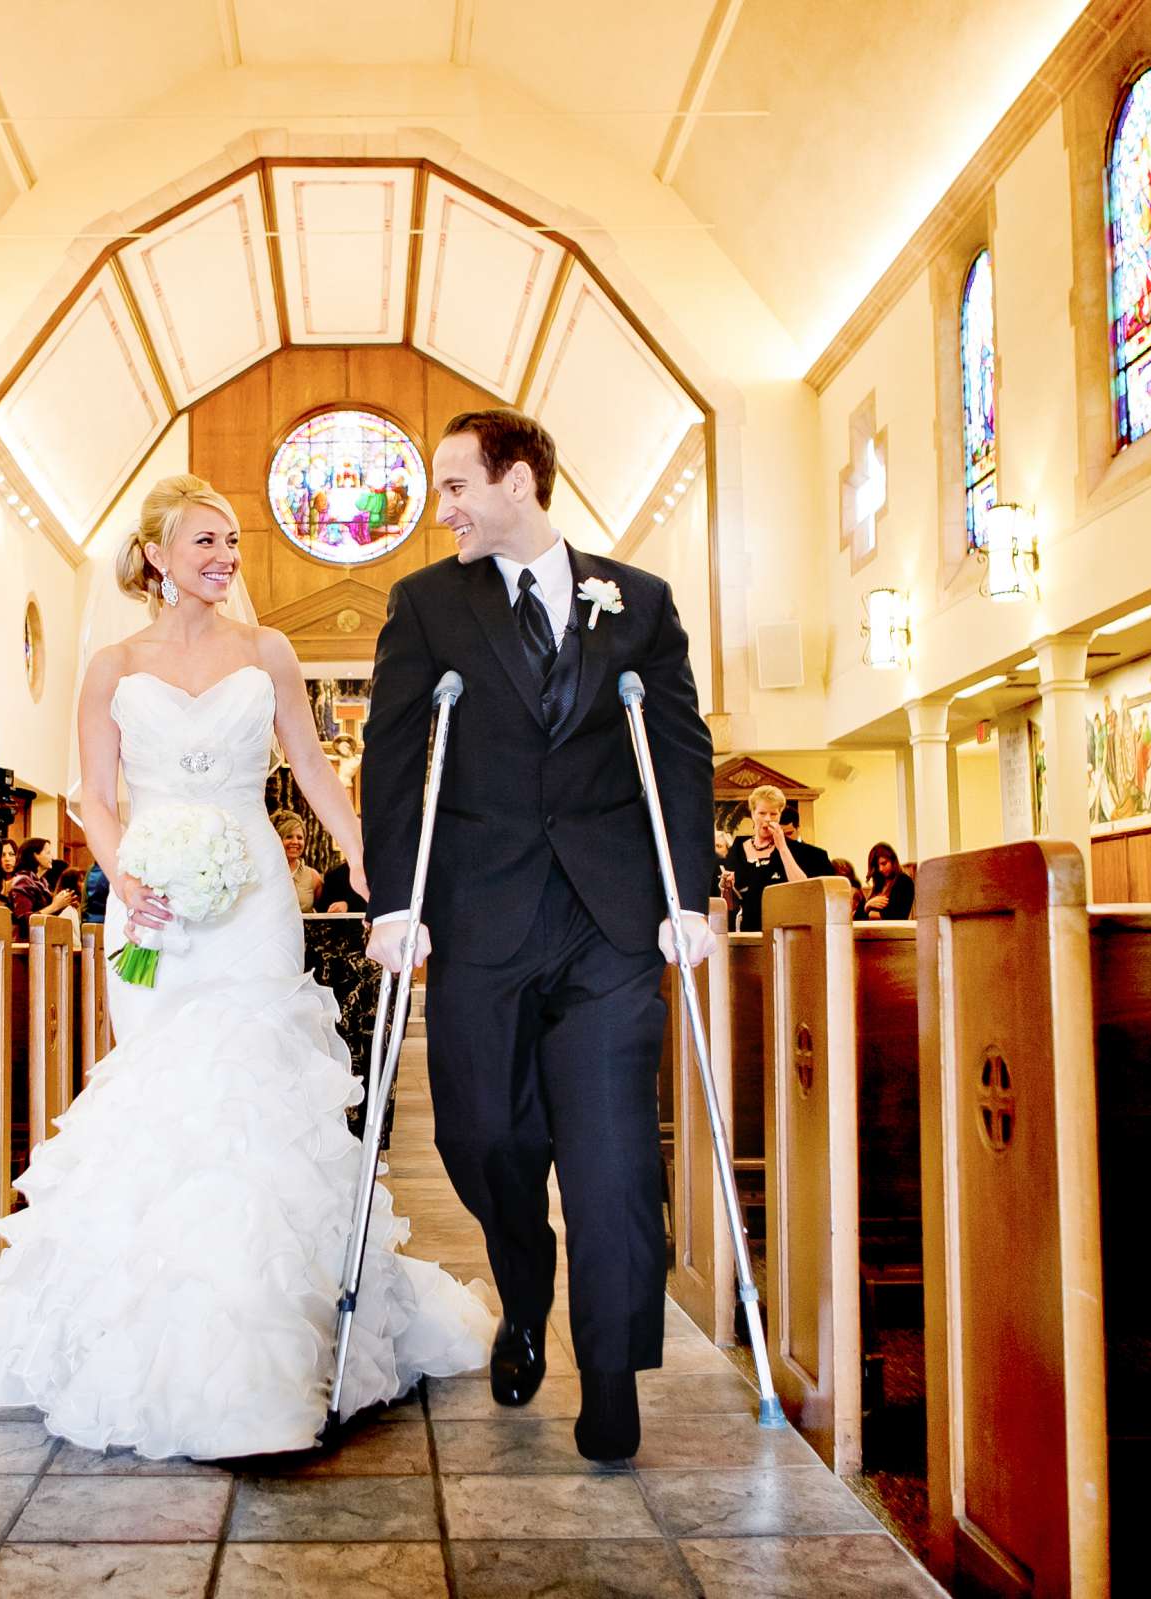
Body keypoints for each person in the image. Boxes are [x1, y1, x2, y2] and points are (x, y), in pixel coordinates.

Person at [0, 472, 490, 1459]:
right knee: (165, 1096)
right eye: (203, 542)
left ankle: (268, 1353)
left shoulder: (271, 651)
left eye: (232, 541)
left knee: (255, 1095)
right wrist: (130, 880)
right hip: (152, 910)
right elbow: (94, 796)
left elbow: (314, 769)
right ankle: (159, 1338)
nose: (224, 556)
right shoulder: (110, 664)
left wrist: (370, 857)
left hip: (253, 902)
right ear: (156, 555)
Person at [361, 407, 714, 1462]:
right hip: (483, 914)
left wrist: (686, 895)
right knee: (482, 1136)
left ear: (519, 481)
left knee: (610, 1158)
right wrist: (394, 901)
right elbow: (390, 756)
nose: (445, 506)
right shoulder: (426, 605)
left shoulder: (638, 603)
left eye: (458, 484)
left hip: (609, 924)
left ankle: (612, 1377)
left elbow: (684, 754)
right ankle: (524, 1287)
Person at [723, 784, 833, 933]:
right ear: (753, 814)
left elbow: (802, 890)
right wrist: (726, 889)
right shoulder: (737, 848)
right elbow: (730, 905)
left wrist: (782, 847)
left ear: (780, 814)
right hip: (747, 931)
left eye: (773, 814)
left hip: (785, 930)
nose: (767, 819)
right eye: (762, 813)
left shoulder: (801, 852)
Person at [274, 811, 324, 911]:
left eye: (300, 838)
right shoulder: (264, 873)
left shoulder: (314, 877)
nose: (295, 842)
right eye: (289, 837)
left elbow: (321, 911)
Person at [860, 841, 915, 920]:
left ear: (893, 861)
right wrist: (867, 905)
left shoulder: (904, 882)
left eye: (884, 863)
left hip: (893, 931)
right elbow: (859, 918)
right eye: (877, 866)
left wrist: (870, 913)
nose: (880, 869)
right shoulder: (879, 884)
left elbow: (897, 916)